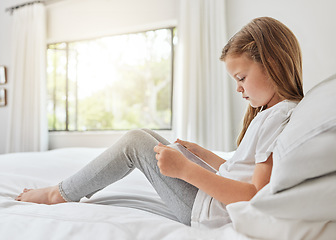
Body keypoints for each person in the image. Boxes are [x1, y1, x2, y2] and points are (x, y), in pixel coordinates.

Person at [16, 17, 304, 228]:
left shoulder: (278, 115)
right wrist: (203, 156)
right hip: (213, 201)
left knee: (135, 142)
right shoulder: (274, 112)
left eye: (241, 78)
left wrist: (187, 170)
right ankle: (72, 188)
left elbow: (253, 195)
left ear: (274, 64)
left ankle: (58, 193)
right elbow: (242, 171)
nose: (239, 89)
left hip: (210, 211)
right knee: (145, 135)